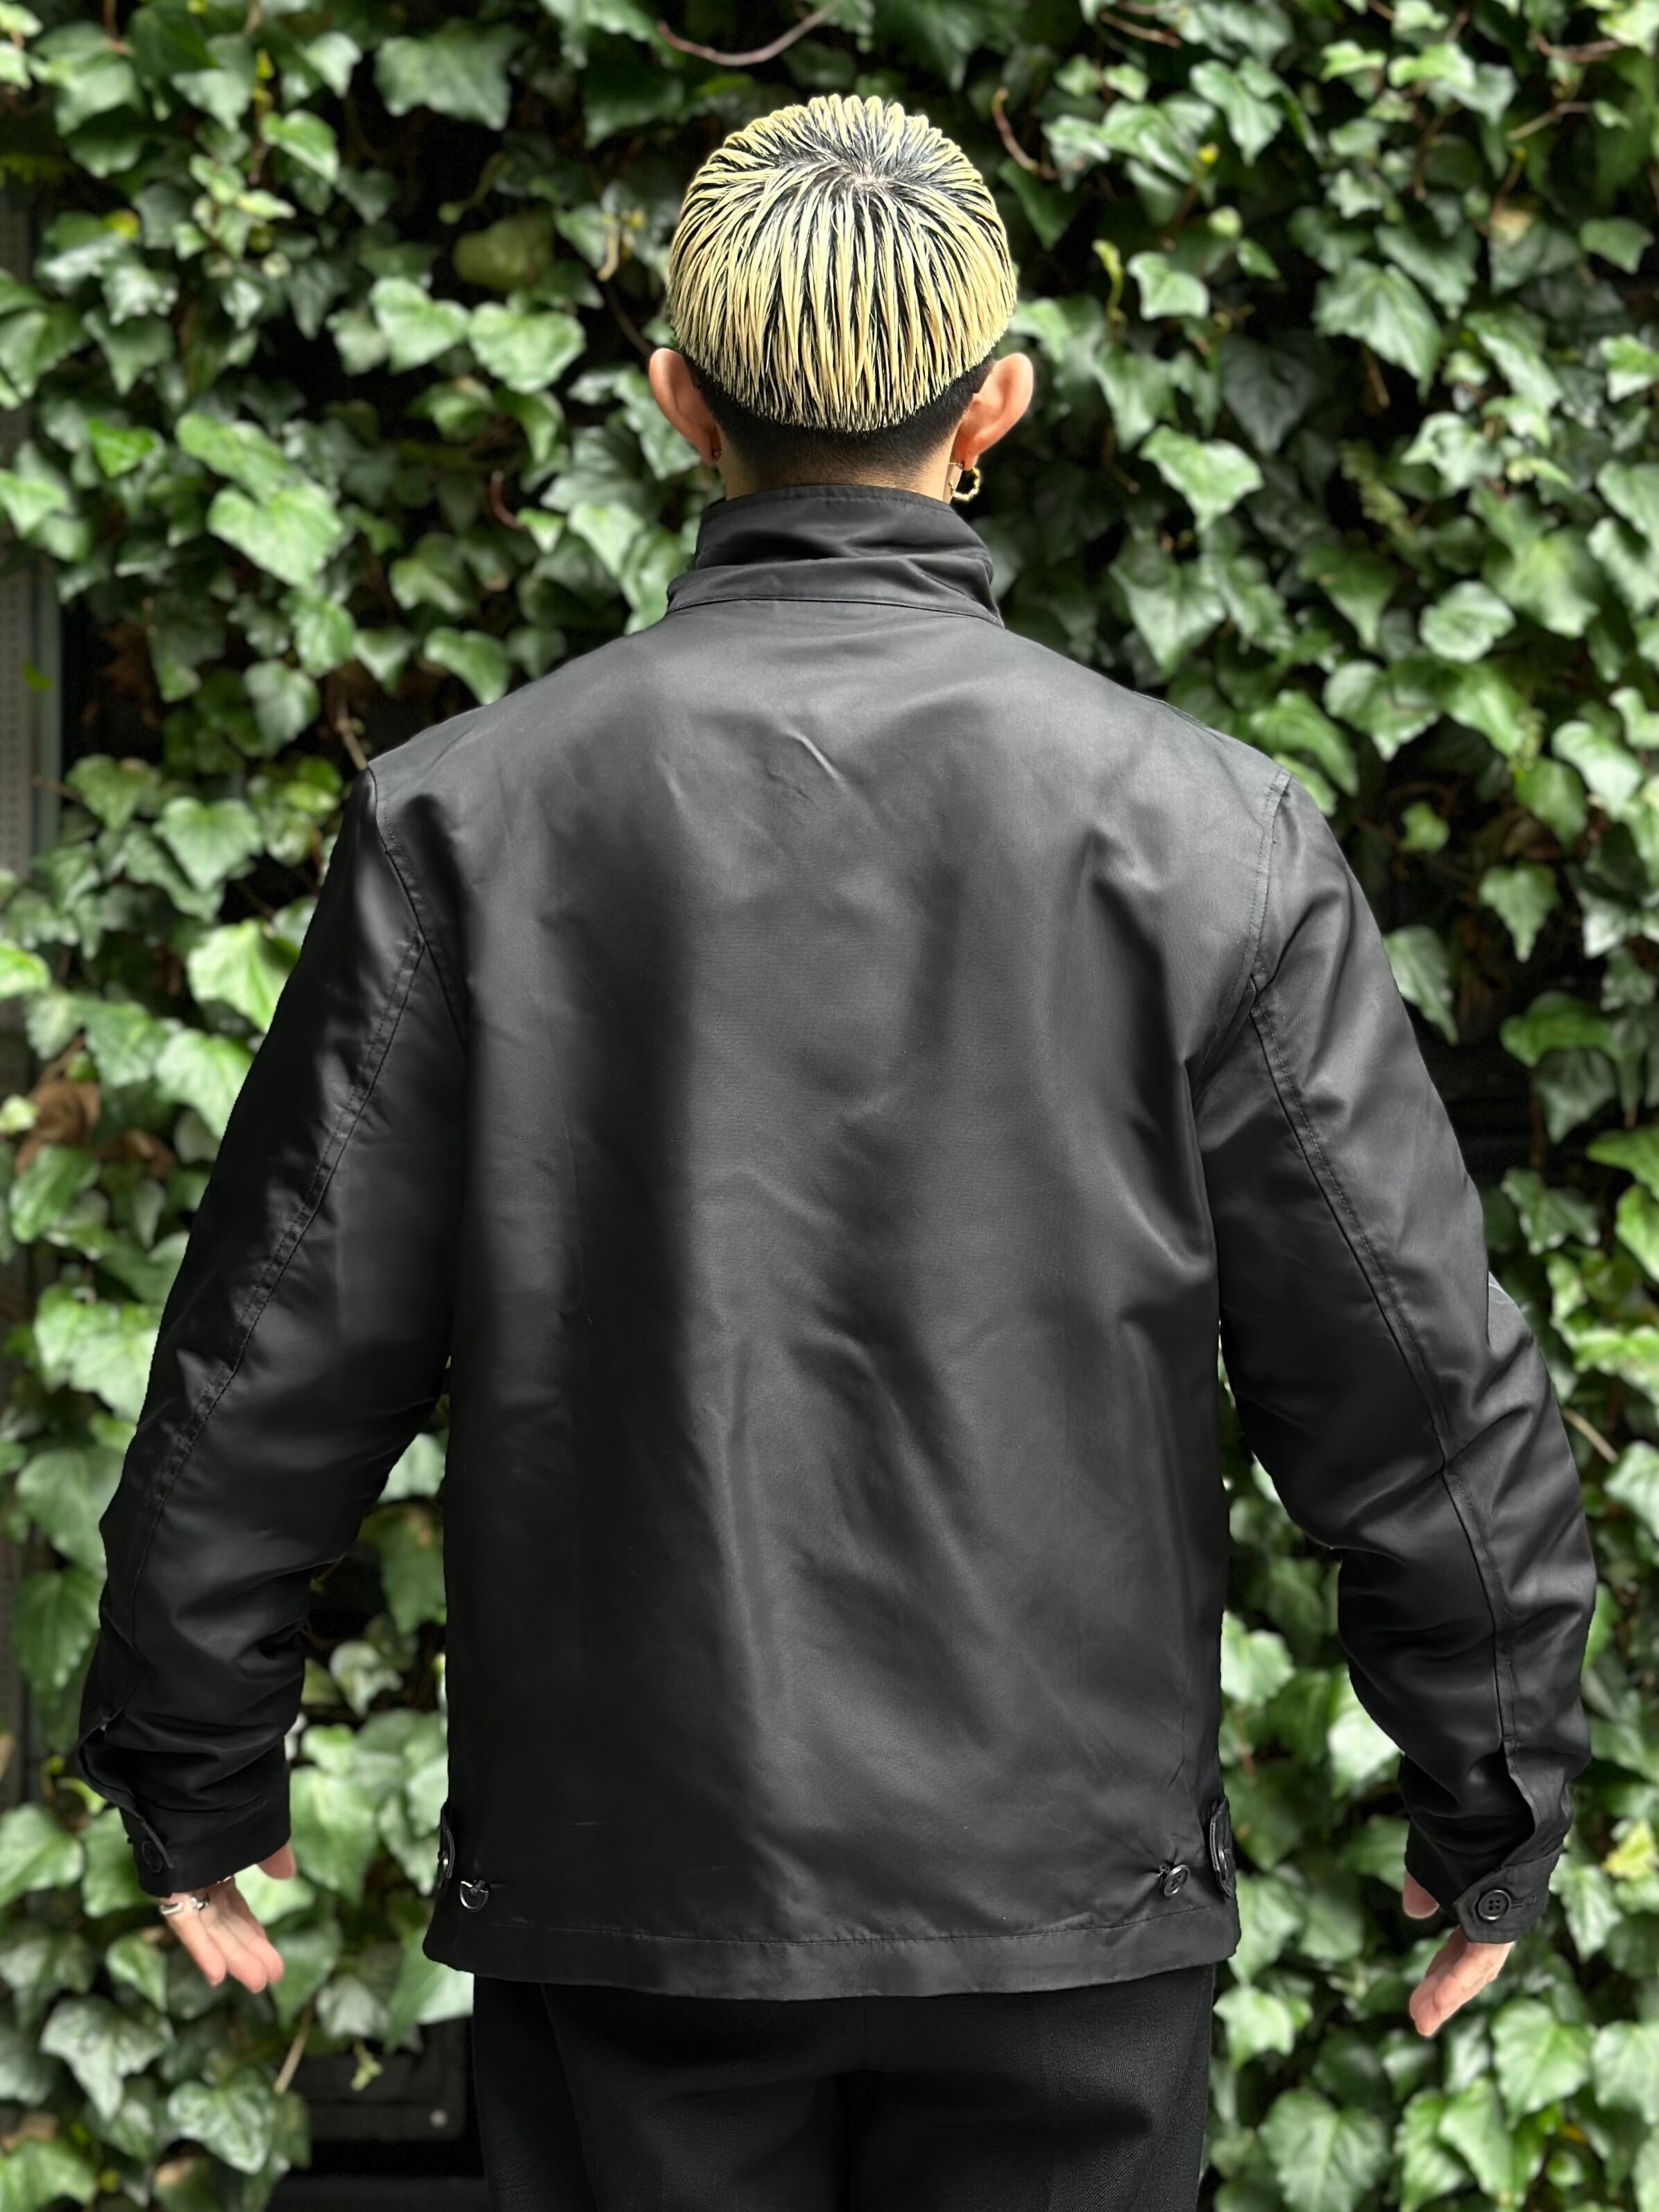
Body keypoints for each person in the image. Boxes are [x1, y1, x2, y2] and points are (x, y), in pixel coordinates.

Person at [74, 90, 1597, 2211]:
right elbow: (1410, 1363)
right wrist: (1493, 1786)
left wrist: (192, 1761)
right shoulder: (1205, 835)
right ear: (998, 407)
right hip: (1064, 1907)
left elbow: (273, 1349)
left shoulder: (468, 827)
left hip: (637, 1897)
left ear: (679, 405)